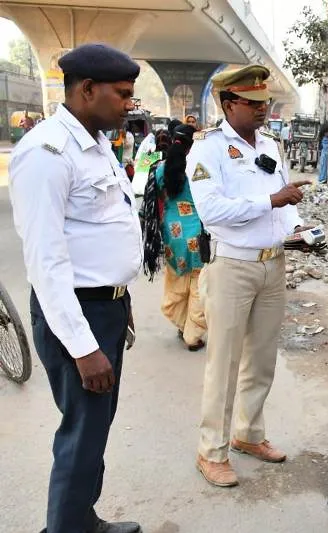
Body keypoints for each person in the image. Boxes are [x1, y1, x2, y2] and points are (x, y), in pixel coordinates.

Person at [9, 43, 143, 533]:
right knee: (81, 434)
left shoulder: (98, 143)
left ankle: (82, 519)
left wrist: (120, 299)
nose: (131, 103)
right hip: (74, 316)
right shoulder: (47, 153)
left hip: (104, 307)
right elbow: (45, 263)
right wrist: (84, 347)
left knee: (95, 430)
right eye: (123, 94)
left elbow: (102, 233)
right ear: (87, 90)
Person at [187, 65, 312, 487]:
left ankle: (248, 434)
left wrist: (296, 227)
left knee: (261, 359)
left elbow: (284, 200)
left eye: (265, 103)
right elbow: (213, 212)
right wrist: (270, 200)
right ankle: (212, 452)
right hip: (232, 266)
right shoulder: (207, 149)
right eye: (253, 103)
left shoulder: (271, 145)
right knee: (224, 364)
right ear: (228, 104)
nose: (263, 110)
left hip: (273, 264)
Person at [140, 124, 207, 350]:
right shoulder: (200, 169)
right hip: (198, 232)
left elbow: (152, 202)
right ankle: (193, 334)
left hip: (172, 232)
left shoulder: (160, 169)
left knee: (178, 279)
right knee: (199, 282)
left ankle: (181, 323)